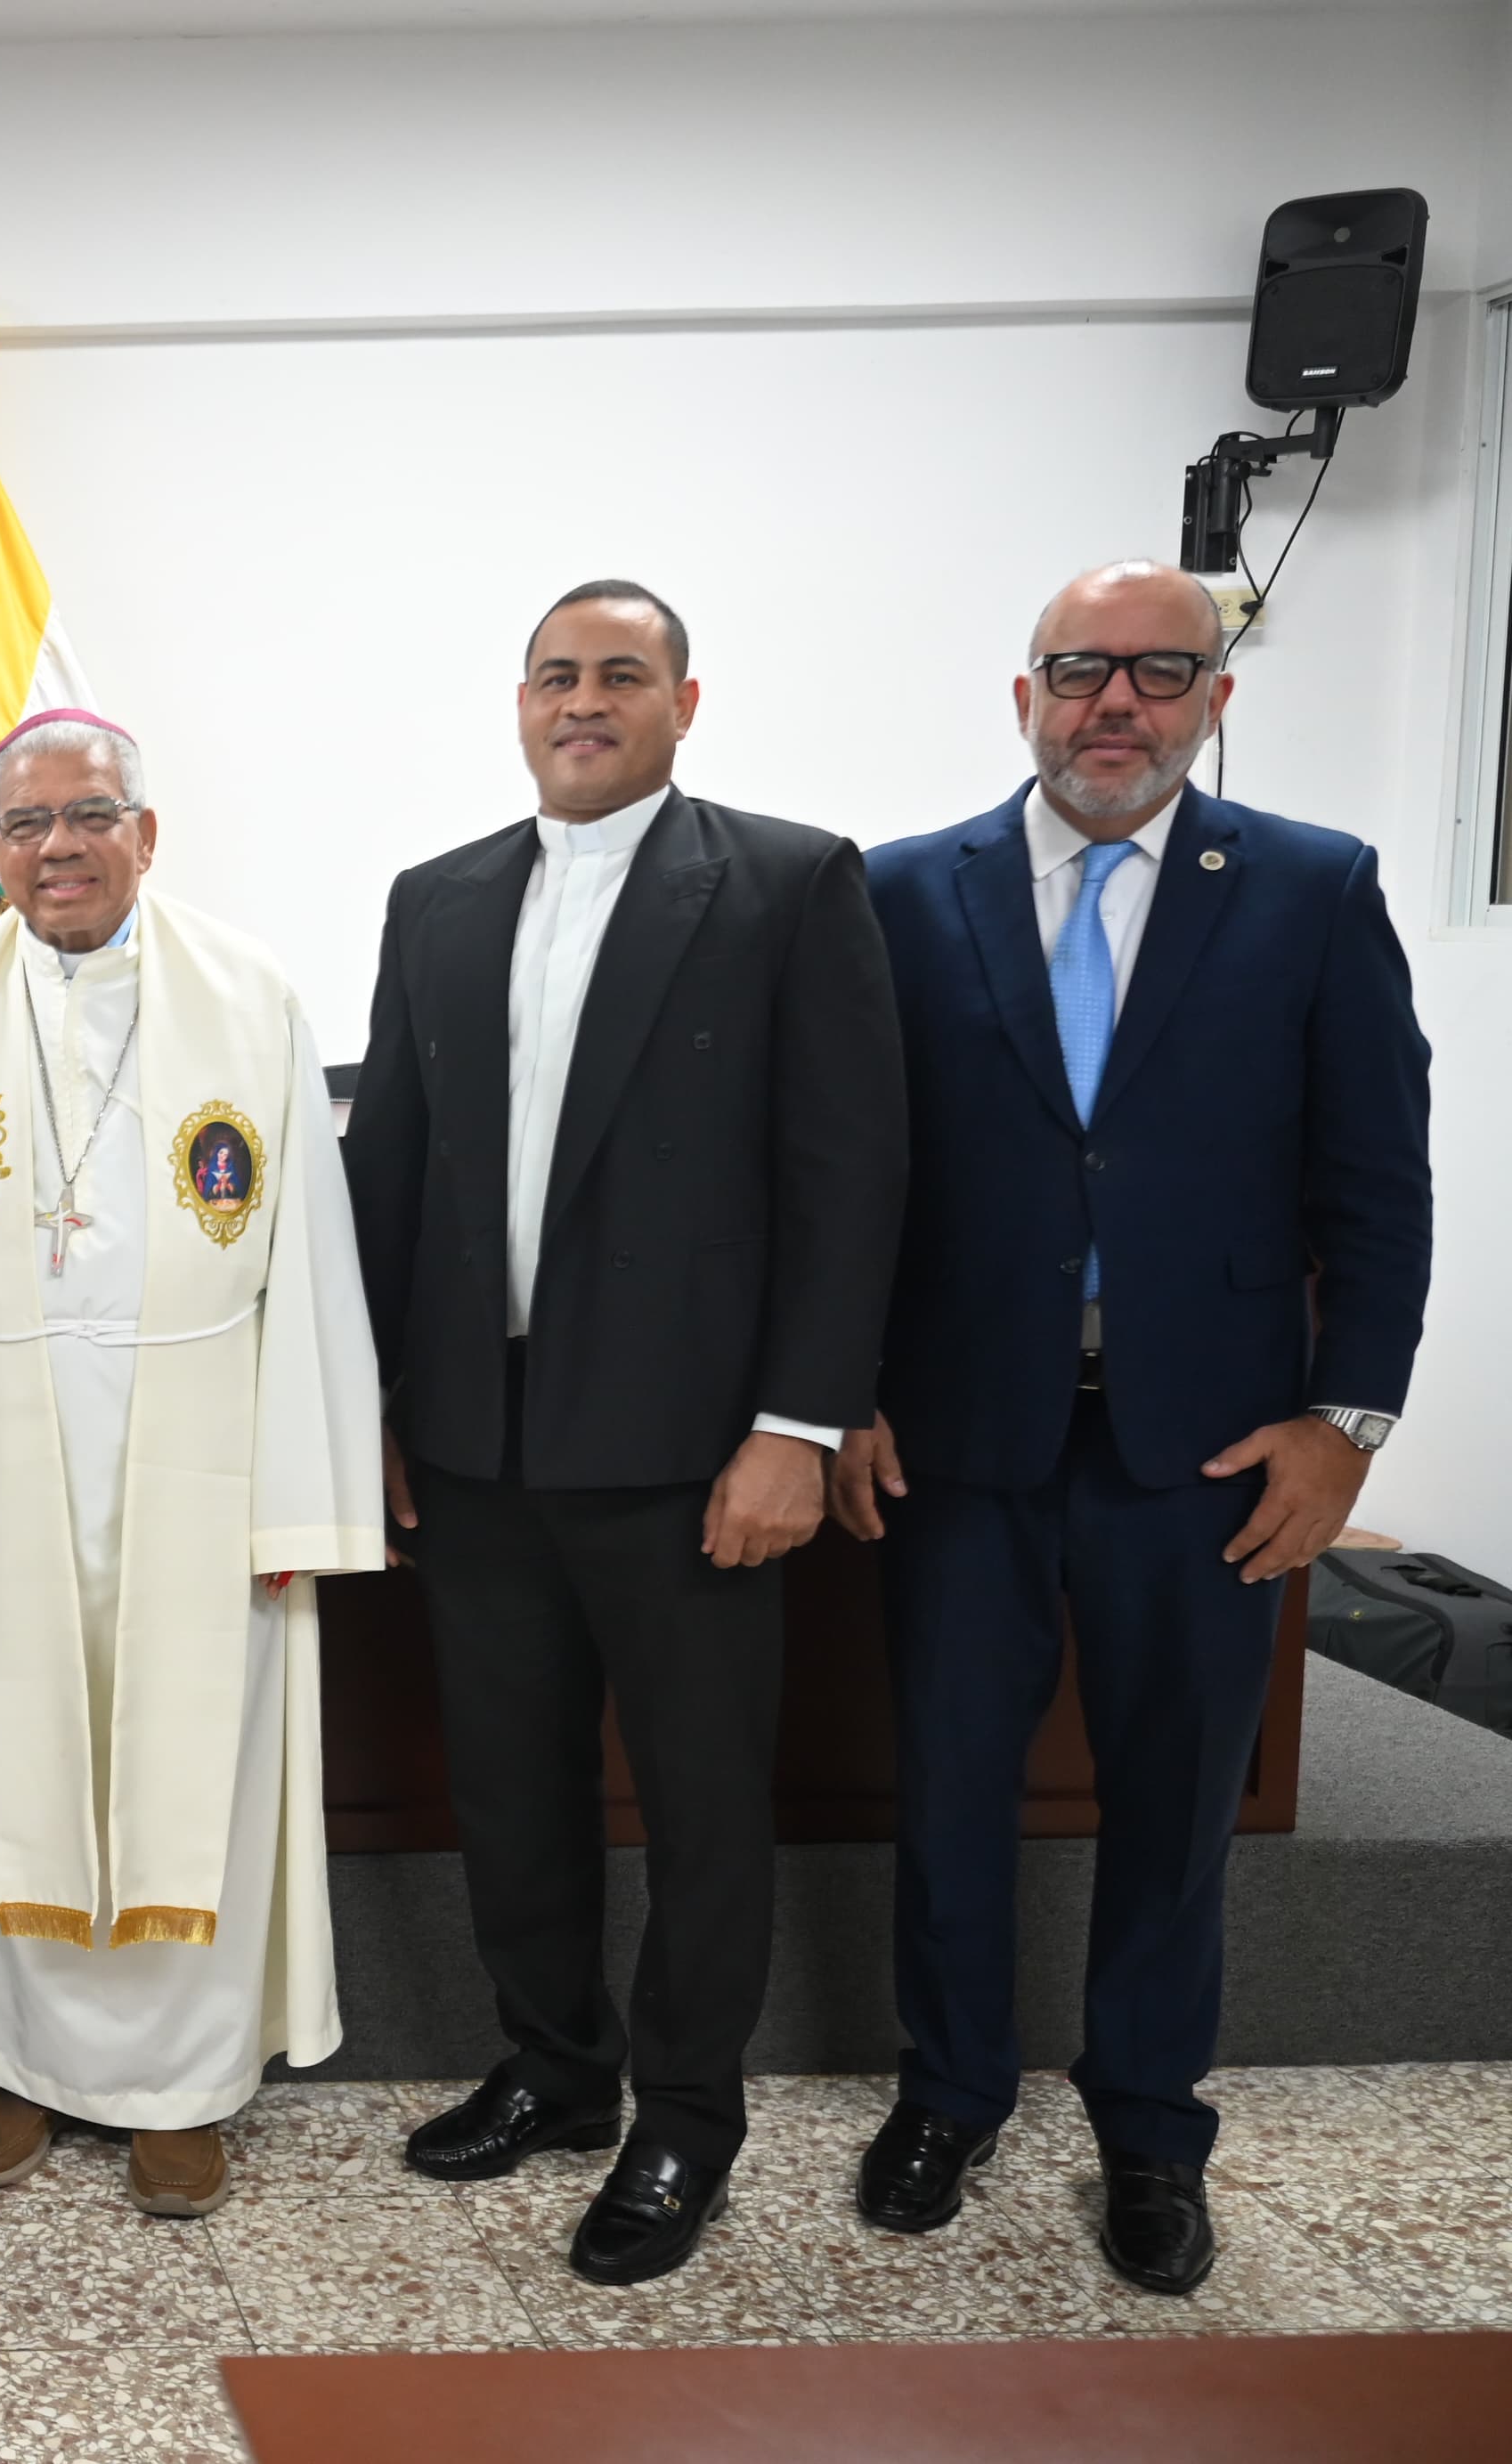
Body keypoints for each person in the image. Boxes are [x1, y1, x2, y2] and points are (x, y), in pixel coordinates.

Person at [833, 562, 1429, 2295]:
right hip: (957, 1434)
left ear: (1213, 700)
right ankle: (945, 2091)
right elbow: (853, 1178)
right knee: (947, 1781)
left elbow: (1373, 1184)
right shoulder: (894, 893)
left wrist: (1348, 1421)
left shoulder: (1311, 892)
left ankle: (1151, 2130)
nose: (1115, 703)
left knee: (1174, 1800)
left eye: (1158, 673)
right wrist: (844, 1389)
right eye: (1079, 668)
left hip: (1213, 1447)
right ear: (1017, 693)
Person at [345, 582, 906, 2284]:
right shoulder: (435, 899)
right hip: (477, 1441)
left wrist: (795, 1427)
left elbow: (847, 1172)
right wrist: (366, 1406)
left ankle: (685, 2117)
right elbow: (390, 1174)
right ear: (519, 703)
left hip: (691, 1453)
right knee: (511, 1788)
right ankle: (557, 2067)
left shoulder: (793, 882)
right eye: (556, 677)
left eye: (621, 677)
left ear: (683, 702)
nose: (583, 703)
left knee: (702, 1802)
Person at [0, 709, 386, 2220]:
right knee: (6, 1751)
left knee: (196, 1754)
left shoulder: (252, 995)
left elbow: (309, 1257)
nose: (60, 848)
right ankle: (19, 2060)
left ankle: (186, 2087)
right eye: (27, 827)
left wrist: (301, 1488)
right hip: (0, 1433)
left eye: (90, 816)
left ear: (145, 834)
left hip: (205, 1444)